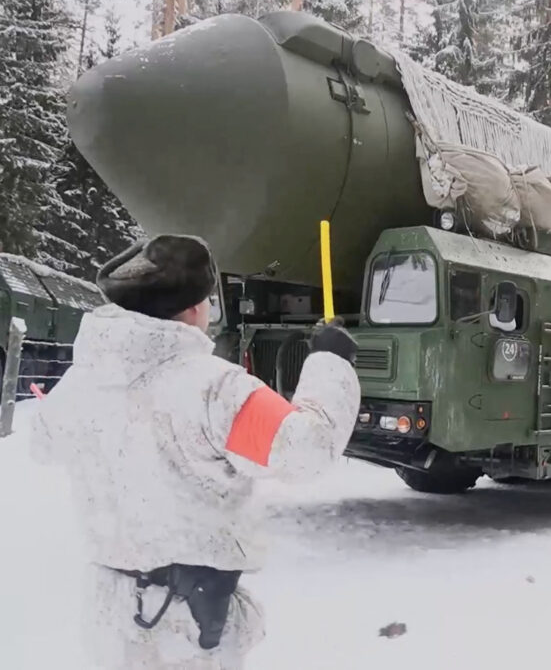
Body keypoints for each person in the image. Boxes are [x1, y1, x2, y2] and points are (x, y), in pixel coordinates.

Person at [30, 235, 360, 670]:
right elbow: (306, 450)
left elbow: (43, 444)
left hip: (111, 617)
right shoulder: (215, 389)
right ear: (194, 308)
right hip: (184, 627)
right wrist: (330, 363)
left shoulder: (79, 385)